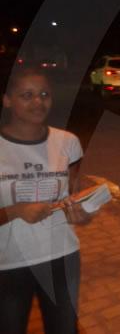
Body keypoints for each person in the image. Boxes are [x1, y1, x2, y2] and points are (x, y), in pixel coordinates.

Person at [0, 66, 91, 334]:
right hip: (8, 264)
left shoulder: (68, 142)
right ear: (7, 100)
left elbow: (76, 195)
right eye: (26, 95)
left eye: (44, 94)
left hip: (61, 258)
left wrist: (83, 214)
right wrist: (16, 211)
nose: (38, 102)